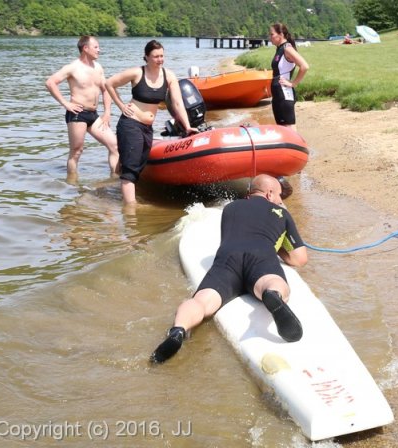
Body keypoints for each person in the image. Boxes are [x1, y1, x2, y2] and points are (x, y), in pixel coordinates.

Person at [151, 174, 308, 364]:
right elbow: (300, 259)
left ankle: (178, 330)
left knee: (201, 301)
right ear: (269, 194)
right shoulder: (281, 213)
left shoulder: (230, 208)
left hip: (227, 260)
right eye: (279, 195)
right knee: (270, 282)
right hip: (260, 257)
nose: (280, 200)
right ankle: (272, 294)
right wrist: (279, 244)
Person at [105, 40, 197, 205]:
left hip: (147, 128)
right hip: (130, 124)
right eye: (155, 56)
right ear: (146, 57)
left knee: (137, 165)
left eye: (162, 56)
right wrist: (121, 106)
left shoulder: (169, 76)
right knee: (130, 171)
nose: (160, 59)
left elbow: (177, 103)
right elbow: (109, 83)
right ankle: (130, 210)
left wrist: (187, 125)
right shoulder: (137, 73)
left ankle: (117, 178)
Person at [45, 35, 119, 181]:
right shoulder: (73, 67)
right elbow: (50, 82)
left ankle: (114, 181)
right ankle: (72, 184)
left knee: (114, 146)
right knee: (76, 151)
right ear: (85, 48)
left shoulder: (98, 67)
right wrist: (66, 103)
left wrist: (107, 112)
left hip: (94, 115)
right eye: (96, 47)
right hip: (77, 114)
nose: (99, 50)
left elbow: (106, 90)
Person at [269, 23, 309, 131]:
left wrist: (293, 83)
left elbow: (304, 66)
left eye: (272, 34)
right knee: (282, 129)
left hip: (284, 94)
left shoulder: (287, 48)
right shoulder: (279, 49)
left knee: (289, 128)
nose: (270, 37)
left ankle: (298, 147)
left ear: (280, 34)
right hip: (278, 95)